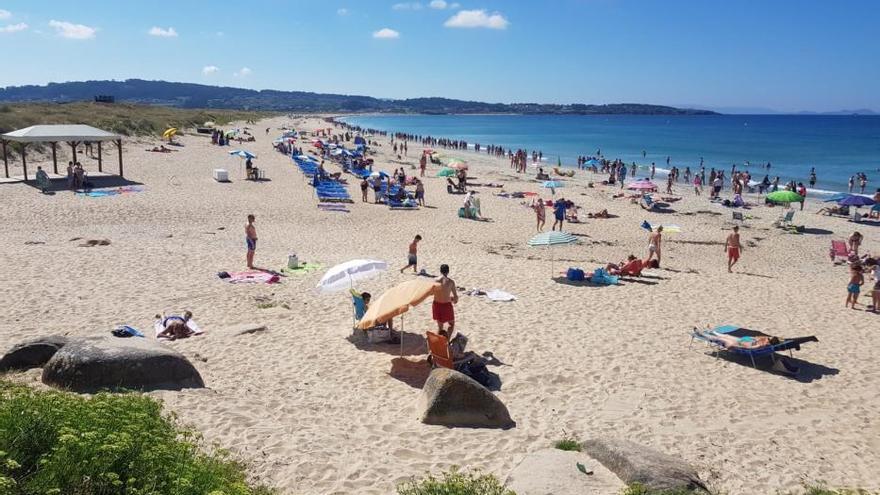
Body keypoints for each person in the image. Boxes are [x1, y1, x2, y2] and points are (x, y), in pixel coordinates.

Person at [433, 264, 459, 336]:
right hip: (446, 305)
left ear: (440, 271)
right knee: (451, 325)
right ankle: (446, 341)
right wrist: (453, 299)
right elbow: (455, 298)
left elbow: (432, 293)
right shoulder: (451, 282)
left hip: (436, 304)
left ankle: (438, 343)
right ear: (448, 271)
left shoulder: (435, 280)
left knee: (440, 327)